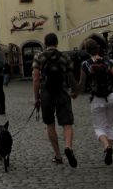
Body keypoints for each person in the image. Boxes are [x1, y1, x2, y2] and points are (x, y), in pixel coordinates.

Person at [74, 39, 113, 165]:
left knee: (99, 127)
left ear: (87, 51)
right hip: (111, 96)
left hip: (97, 99)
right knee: (110, 125)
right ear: (98, 49)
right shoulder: (109, 61)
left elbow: (82, 84)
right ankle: (110, 150)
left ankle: (106, 146)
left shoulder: (85, 64)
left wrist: (75, 93)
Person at [32, 33, 78, 167]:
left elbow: (35, 79)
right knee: (67, 123)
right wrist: (74, 91)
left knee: (50, 124)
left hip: (46, 93)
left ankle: (58, 155)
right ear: (57, 43)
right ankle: (68, 147)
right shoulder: (65, 56)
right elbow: (71, 76)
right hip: (62, 92)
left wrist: (36, 98)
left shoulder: (39, 57)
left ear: (45, 43)